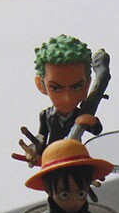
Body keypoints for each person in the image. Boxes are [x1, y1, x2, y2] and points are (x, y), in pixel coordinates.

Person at [13, 34, 109, 166]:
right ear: (41, 85)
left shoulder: (78, 114)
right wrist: (34, 149)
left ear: (87, 85)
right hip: (52, 162)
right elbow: (42, 136)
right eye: (56, 88)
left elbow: (97, 130)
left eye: (76, 87)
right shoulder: (46, 115)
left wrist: (90, 121)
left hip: (76, 161)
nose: (67, 98)